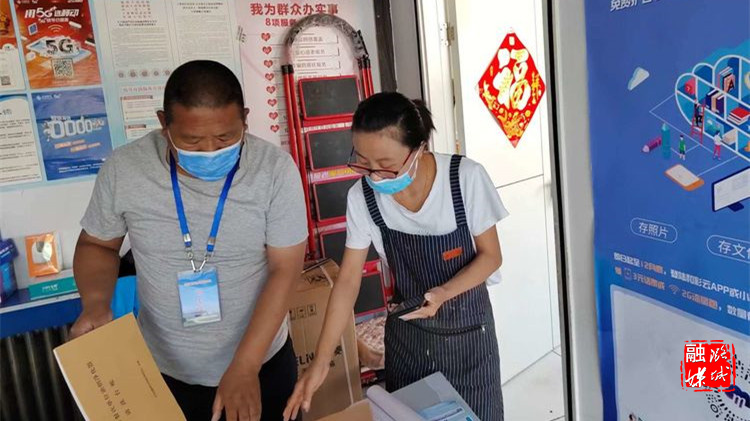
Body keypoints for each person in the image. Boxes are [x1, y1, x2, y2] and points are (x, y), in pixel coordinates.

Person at [70, 60, 308, 421]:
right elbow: (97, 245)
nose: (209, 150)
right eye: (192, 141)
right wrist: (95, 302)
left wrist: (246, 365)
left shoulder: (274, 170)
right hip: (163, 372)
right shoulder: (125, 169)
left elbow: (285, 269)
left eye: (226, 138)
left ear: (245, 119)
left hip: (261, 365)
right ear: (163, 123)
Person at [284, 92, 507, 420]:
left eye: (387, 166)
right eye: (363, 162)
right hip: (409, 339)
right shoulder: (362, 197)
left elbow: (491, 257)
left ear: (420, 148)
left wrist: (443, 293)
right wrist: (321, 361)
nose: (374, 176)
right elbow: (347, 281)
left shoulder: (464, 179)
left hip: (469, 337)